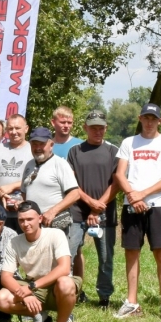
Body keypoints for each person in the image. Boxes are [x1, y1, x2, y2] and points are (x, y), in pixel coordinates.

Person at [112, 103, 161, 322]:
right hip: (131, 205)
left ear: (160, 121)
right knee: (132, 252)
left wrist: (143, 194)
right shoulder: (128, 142)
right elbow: (119, 174)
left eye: (154, 119)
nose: (150, 122)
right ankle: (131, 302)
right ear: (140, 119)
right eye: (146, 118)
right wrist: (133, 195)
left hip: (157, 205)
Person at [0, 201, 79, 322]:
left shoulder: (56, 234)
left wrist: (31, 287)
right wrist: (25, 295)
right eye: (21, 220)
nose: (25, 224)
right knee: (0, 299)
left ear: (40, 218)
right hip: (33, 287)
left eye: (29, 219)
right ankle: (41, 316)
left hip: (55, 286)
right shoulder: (14, 242)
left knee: (65, 283)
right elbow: (6, 276)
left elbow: (64, 268)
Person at [66, 110, 118, 307]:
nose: (98, 131)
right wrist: (90, 203)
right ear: (85, 128)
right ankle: (70, 292)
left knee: (105, 258)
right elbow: (71, 182)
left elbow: (117, 184)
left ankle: (104, 296)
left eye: (101, 128)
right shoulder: (75, 151)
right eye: (93, 127)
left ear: (106, 128)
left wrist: (97, 208)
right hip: (77, 212)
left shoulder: (113, 151)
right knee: (69, 254)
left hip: (105, 213)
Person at [17, 127, 80, 237]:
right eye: (34, 144)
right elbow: (24, 193)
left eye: (42, 144)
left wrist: (52, 212)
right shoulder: (29, 165)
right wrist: (20, 203)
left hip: (54, 225)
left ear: (51, 145)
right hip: (32, 227)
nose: (38, 148)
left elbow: (75, 194)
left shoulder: (60, 164)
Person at [0, 114, 34, 232]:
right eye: (10, 128)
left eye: (17, 128)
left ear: (26, 129)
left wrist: (13, 186)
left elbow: (37, 177)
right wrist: (0, 193)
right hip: (0, 211)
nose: (14, 132)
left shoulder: (33, 150)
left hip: (25, 212)